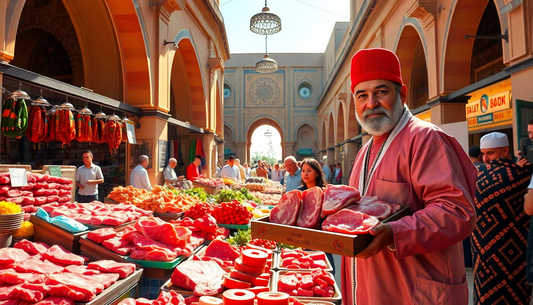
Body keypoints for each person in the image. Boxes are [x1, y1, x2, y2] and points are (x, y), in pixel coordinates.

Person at [343, 48, 476, 304]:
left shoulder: (425, 138)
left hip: (414, 291)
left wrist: (395, 232)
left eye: (381, 92)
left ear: (402, 94)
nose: (371, 103)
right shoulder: (364, 152)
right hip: (371, 289)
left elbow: (456, 211)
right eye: (362, 95)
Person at [472, 132, 531, 304]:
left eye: (490, 153)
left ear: (505, 151)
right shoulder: (521, 174)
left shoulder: (477, 175)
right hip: (508, 253)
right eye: (483, 154)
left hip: (494, 254)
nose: (486, 159)